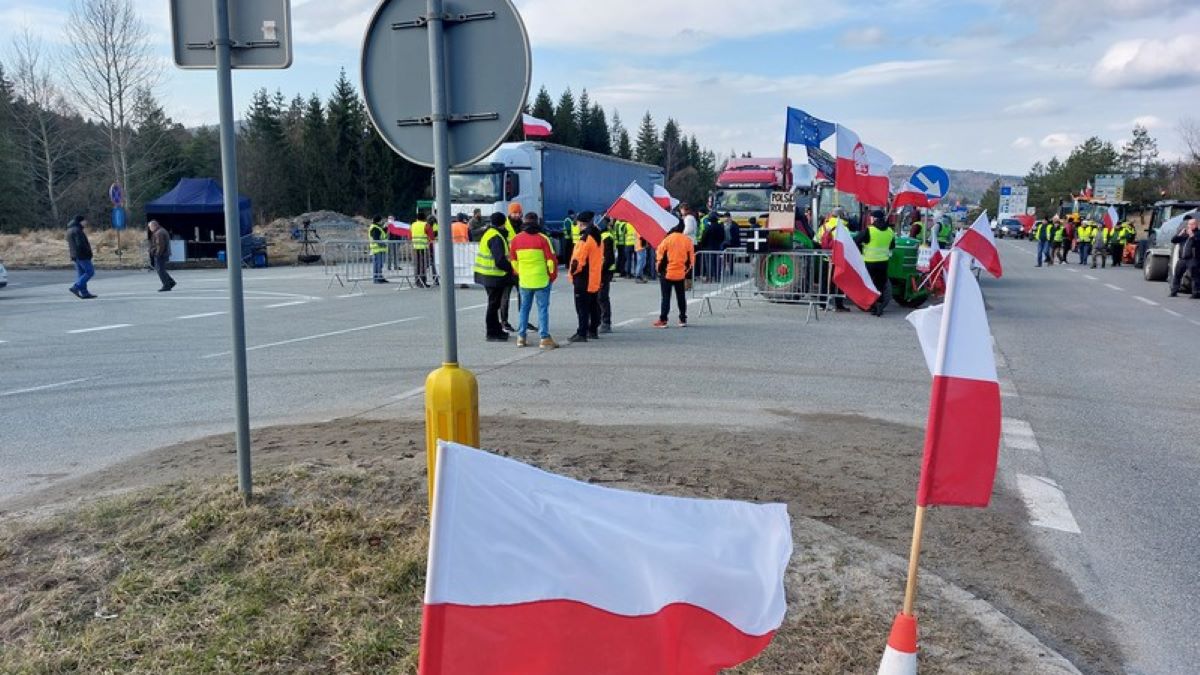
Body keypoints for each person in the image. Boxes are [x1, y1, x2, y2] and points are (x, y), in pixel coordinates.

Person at [509, 212, 559, 349]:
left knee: (524, 309)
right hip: (541, 279)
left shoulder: (516, 240)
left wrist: (521, 273)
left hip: (525, 280)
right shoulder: (543, 239)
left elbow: (513, 261)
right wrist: (551, 277)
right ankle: (544, 338)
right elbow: (551, 261)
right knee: (542, 309)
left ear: (524, 222)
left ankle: (521, 337)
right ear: (537, 222)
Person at [474, 212, 515, 341]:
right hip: (493, 276)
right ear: (504, 223)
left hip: (487, 275)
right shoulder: (496, 237)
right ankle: (492, 333)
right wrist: (512, 268)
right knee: (493, 305)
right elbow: (499, 260)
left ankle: (496, 330)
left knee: (494, 304)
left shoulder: (490, 233)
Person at [568, 211, 603, 343]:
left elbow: (578, 261)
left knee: (582, 307)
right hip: (594, 277)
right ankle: (592, 330)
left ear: (580, 223)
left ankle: (581, 332)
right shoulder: (597, 236)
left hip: (583, 278)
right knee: (593, 305)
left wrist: (572, 273)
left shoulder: (585, 239)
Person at [653, 221, 694, 328]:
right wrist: (685, 271)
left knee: (666, 297)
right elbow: (691, 260)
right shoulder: (687, 240)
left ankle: (663, 320)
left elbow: (660, 257)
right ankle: (682, 319)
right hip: (680, 273)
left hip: (667, 273)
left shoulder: (667, 240)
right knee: (681, 296)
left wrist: (659, 270)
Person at [857, 209, 896, 316]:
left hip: (869, 262)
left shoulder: (869, 230)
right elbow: (892, 246)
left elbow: (855, 241)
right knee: (880, 285)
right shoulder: (890, 231)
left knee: (868, 285)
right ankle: (878, 306)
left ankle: (869, 305)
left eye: (871, 217)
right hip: (883, 262)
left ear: (874, 218)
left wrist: (861, 249)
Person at [816, 208, 850, 311]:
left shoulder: (824, 226)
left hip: (826, 258)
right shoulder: (844, 227)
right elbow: (847, 244)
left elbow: (817, 240)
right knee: (839, 281)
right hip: (838, 260)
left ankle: (822, 303)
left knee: (824, 282)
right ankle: (838, 305)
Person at [595, 218, 618, 333]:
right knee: (598, 297)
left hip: (604, 271)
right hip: (600, 271)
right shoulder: (602, 236)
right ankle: (598, 321)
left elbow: (608, 258)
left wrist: (600, 270)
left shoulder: (606, 237)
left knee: (602, 297)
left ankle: (606, 322)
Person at [66, 215, 97, 299]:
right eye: (84, 221)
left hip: (75, 255)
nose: (86, 222)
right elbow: (80, 244)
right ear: (80, 221)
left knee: (81, 274)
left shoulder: (70, 230)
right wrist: (88, 253)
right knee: (90, 272)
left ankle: (84, 293)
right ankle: (76, 287)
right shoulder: (77, 230)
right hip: (82, 255)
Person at [1169, 214, 1199, 298]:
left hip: (1192, 259)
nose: (1190, 226)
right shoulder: (1184, 234)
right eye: (1189, 224)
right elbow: (1174, 240)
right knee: (1177, 275)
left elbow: (1197, 243)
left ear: (1196, 225)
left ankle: (1195, 293)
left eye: (1192, 224)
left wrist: (1192, 236)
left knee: (1195, 277)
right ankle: (1174, 291)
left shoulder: (1198, 234)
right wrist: (1180, 234)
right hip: (1182, 259)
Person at [697, 207, 726, 281]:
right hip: (717, 247)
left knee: (709, 263)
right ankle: (717, 277)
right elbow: (723, 237)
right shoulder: (720, 227)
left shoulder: (708, 228)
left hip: (708, 247)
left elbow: (704, 238)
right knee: (717, 262)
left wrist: (702, 245)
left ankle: (709, 278)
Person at [148, 220, 177, 292]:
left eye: (150, 227)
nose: (150, 229)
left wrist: (157, 254)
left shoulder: (158, 233)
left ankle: (166, 285)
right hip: (163, 254)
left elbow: (160, 245)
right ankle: (171, 282)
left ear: (154, 226)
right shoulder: (161, 231)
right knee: (161, 269)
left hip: (161, 254)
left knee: (160, 270)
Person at [411, 212, 431, 287]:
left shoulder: (413, 225)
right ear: (424, 218)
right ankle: (423, 281)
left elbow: (409, 236)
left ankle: (417, 281)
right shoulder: (426, 225)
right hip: (423, 247)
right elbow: (431, 236)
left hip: (415, 247)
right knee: (423, 265)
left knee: (417, 265)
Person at [368, 215, 389, 283]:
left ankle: (379, 276)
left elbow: (382, 235)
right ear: (378, 221)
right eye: (381, 220)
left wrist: (385, 228)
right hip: (377, 249)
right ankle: (376, 278)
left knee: (380, 264)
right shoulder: (375, 228)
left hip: (380, 249)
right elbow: (376, 239)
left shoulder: (378, 227)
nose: (382, 221)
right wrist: (383, 244)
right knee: (378, 264)